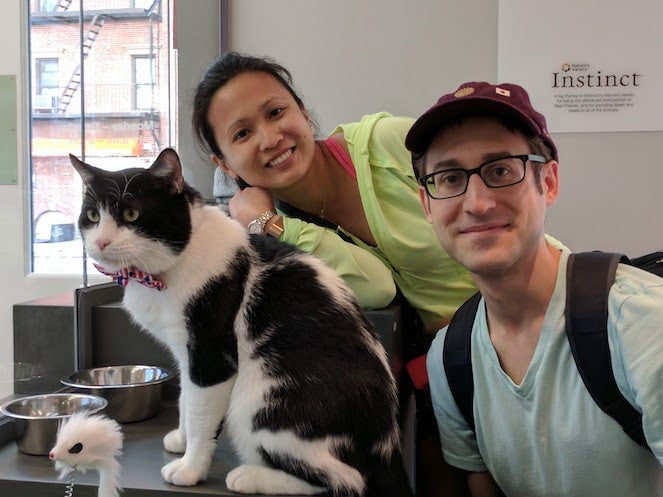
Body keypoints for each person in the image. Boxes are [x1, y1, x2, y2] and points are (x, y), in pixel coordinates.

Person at [191, 52, 477, 496]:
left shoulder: (387, 143)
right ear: (225, 164)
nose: (270, 138)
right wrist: (269, 223)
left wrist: (265, 223)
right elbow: (377, 287)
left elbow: (500, 202)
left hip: (530, 321)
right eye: (243, 133)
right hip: (457, 369)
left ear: (302, 111)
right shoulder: (282, 226)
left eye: (276, 112)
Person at [406, 81, 663, 497]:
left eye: (501, 170)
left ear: (550, 182)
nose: (477, 203)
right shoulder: (450, 358)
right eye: (450, 178)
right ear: (427, 205)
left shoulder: (641, 323)